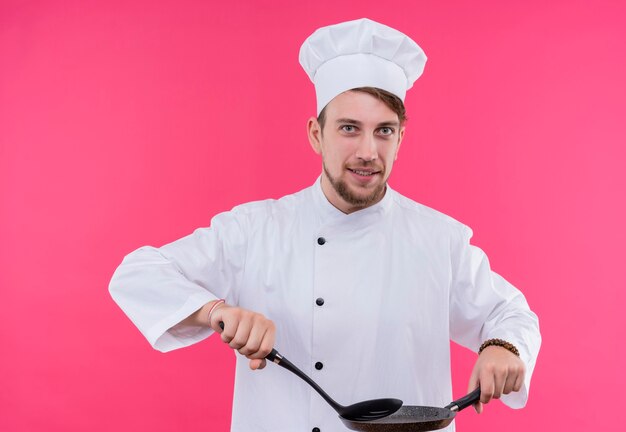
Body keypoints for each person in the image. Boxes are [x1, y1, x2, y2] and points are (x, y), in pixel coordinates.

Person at [109, 18, 541, 432]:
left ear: (401, 138)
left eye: (384, 131)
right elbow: (137, 272)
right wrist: (216, 313)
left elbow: (511, 313)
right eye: (349, 128)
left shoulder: (439, 240)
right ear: (316, 134)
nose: (368, 151)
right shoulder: (254, 231)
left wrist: (500, 348)